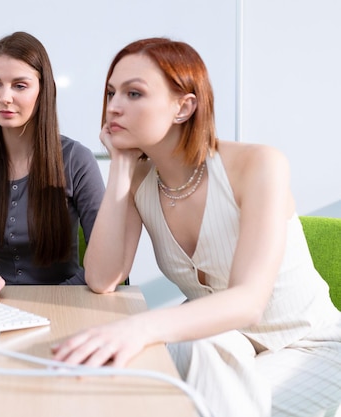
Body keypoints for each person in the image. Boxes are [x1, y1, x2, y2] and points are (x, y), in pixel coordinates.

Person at [51, 38, 341, 417]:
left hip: (306, 345)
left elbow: (248, 301)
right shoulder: (140, 180)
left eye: (134, 93)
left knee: (186, 403)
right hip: (222, 344)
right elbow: (103, 277)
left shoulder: (258, 164)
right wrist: (120, 164)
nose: (114, 106)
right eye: (111, 92)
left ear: (183, 107)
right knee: (147, 378)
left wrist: (139, 328)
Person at [0, 32, 105, 300]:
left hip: (67, 305)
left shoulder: (76, 160)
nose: (4, 97)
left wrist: (49, 301)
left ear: (43, 90)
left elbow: (104, 263)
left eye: (19, 86)